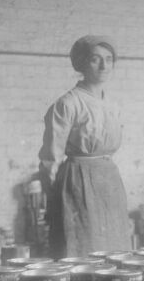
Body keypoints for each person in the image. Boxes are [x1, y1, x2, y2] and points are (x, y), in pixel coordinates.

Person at [38, 35, 130, 258]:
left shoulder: (113, 106)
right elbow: (51, 158)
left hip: (109, 180)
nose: (103, 65)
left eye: (108, 59)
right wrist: (57, 198)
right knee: (83, 246)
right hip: (77, 182)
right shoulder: (68, 104)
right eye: (95, 59)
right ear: (80, 63)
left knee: (115, 248)